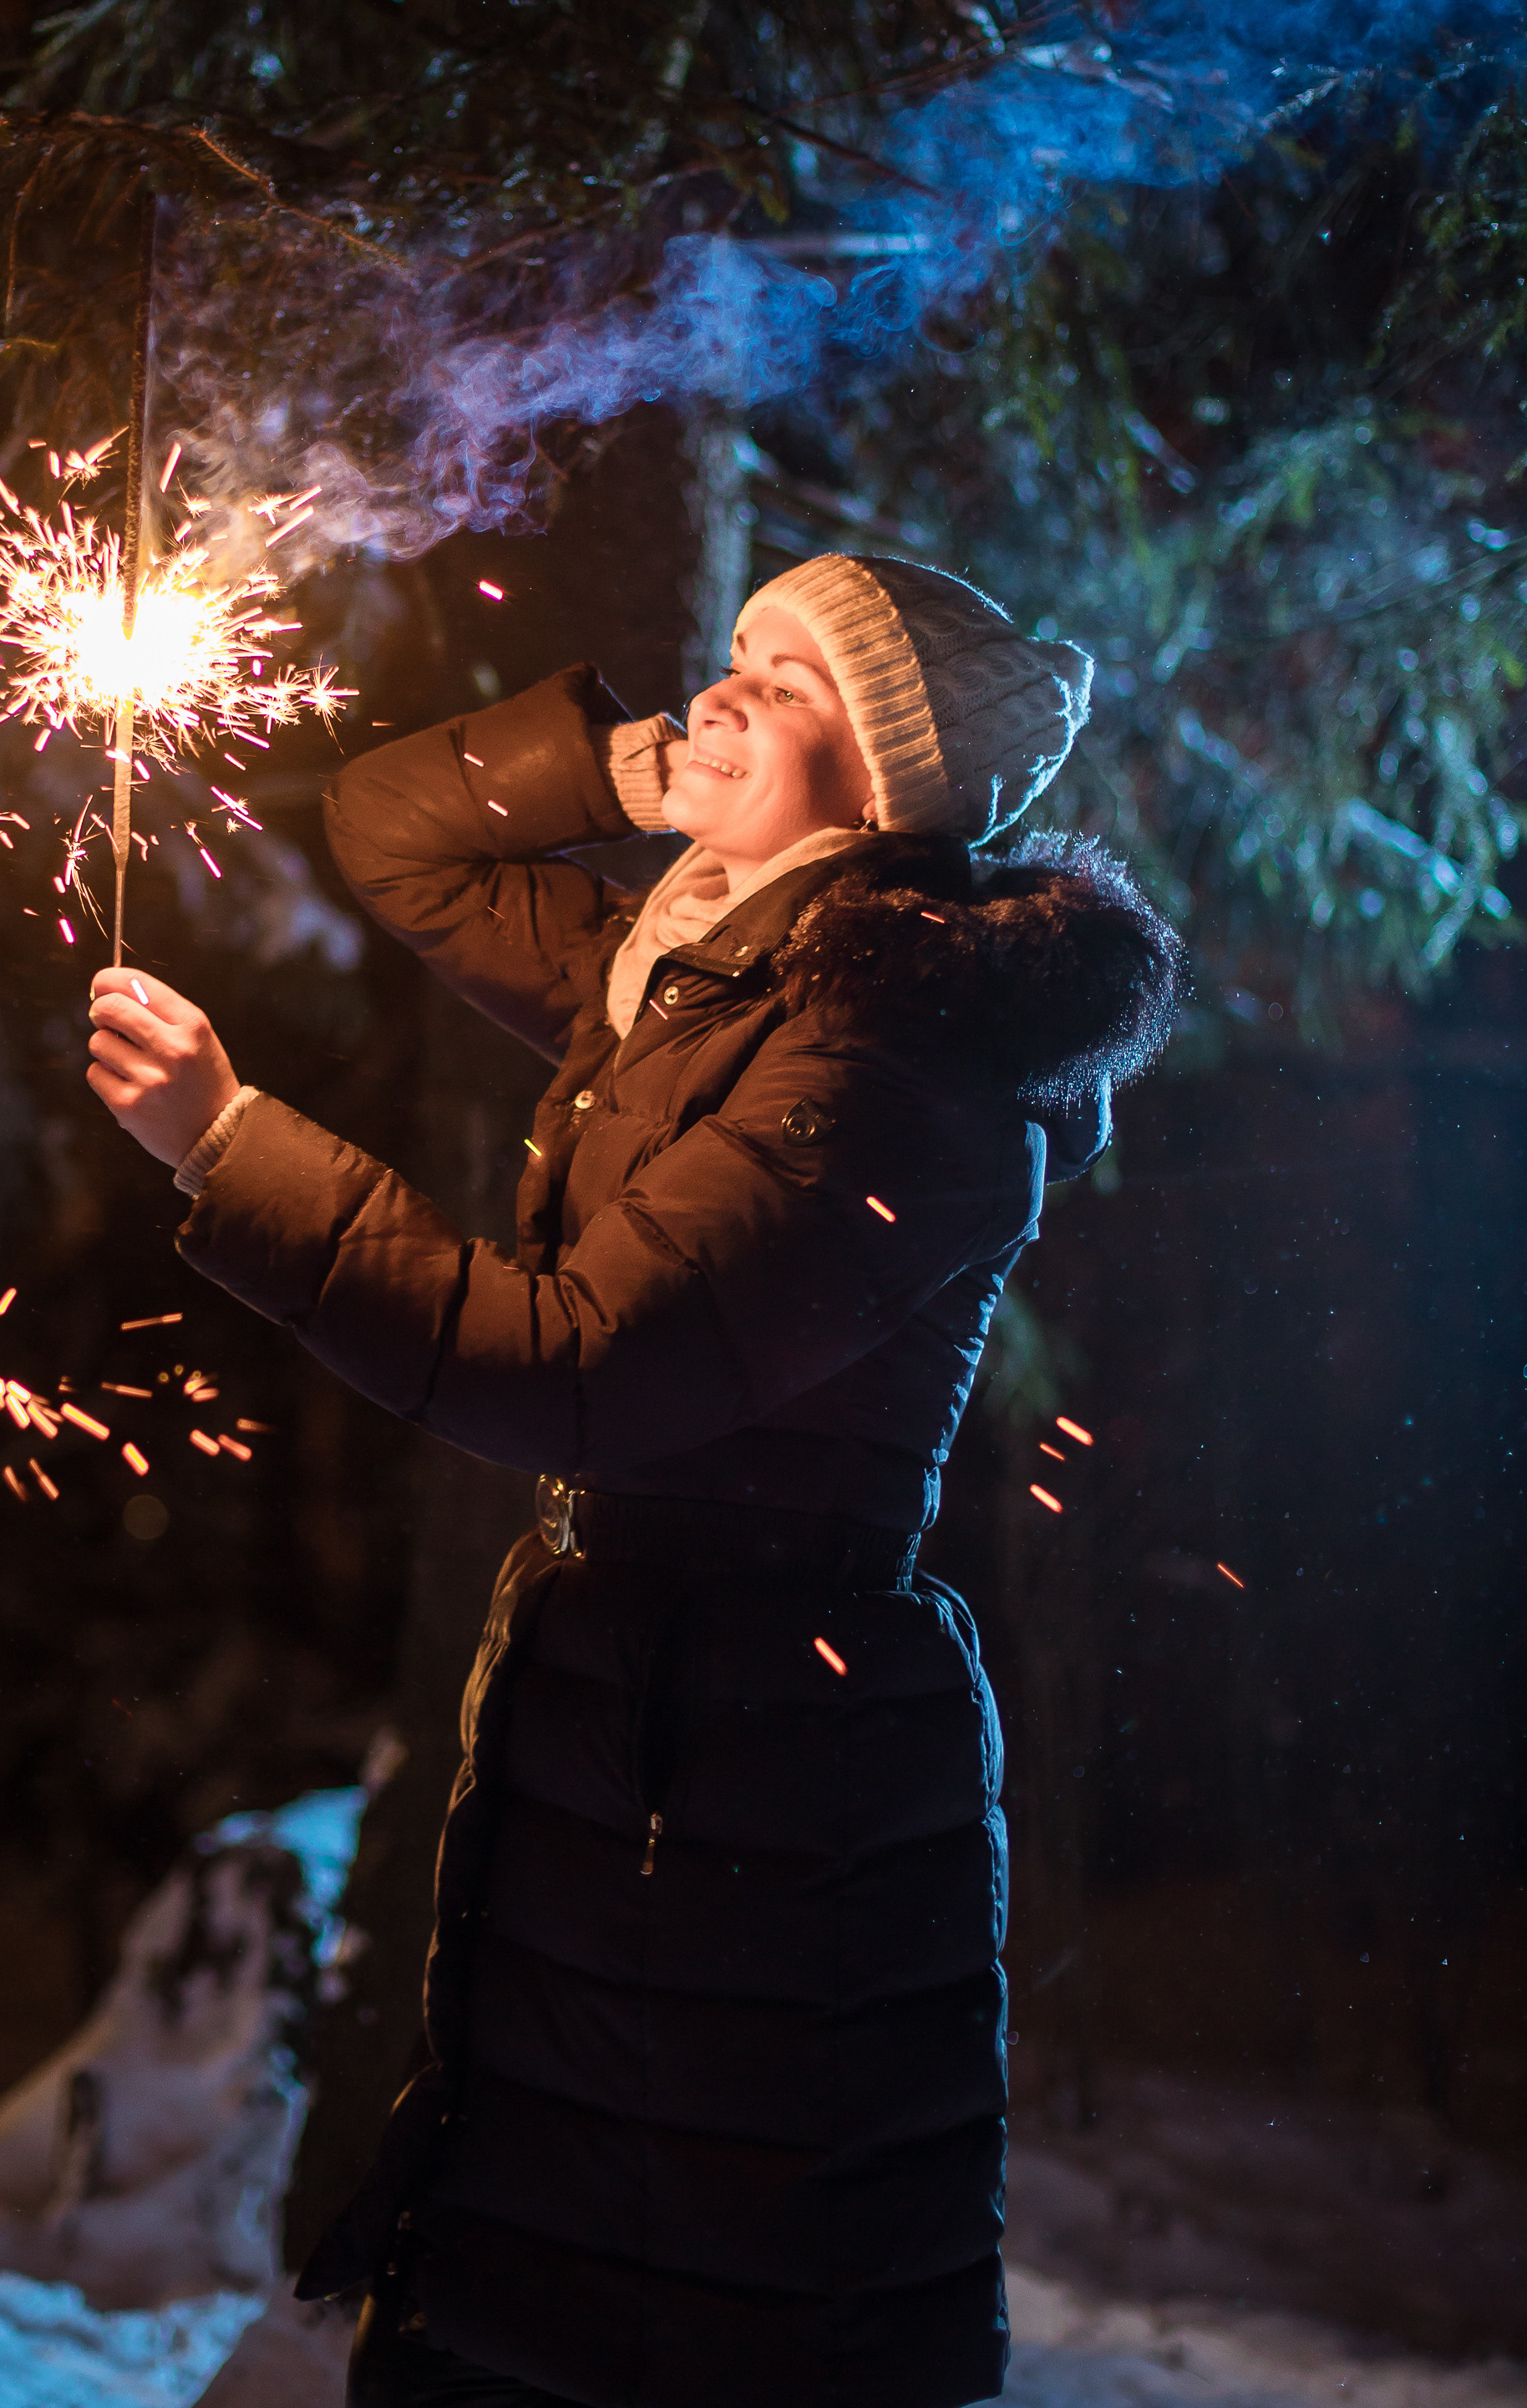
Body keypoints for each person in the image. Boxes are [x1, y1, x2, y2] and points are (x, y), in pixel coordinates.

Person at [87, 553, 1182, 2408]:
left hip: (764, 1761)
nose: (731, 696)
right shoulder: (702, 964)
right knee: (549, 2258)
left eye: (795, 687)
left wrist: (232, 1147)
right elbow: (393, 831)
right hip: (654, 1722)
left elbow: (570, 1369)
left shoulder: (874, 1059)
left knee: (708, 2293)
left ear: (887, 788)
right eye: (735, 655)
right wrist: (614, 772)